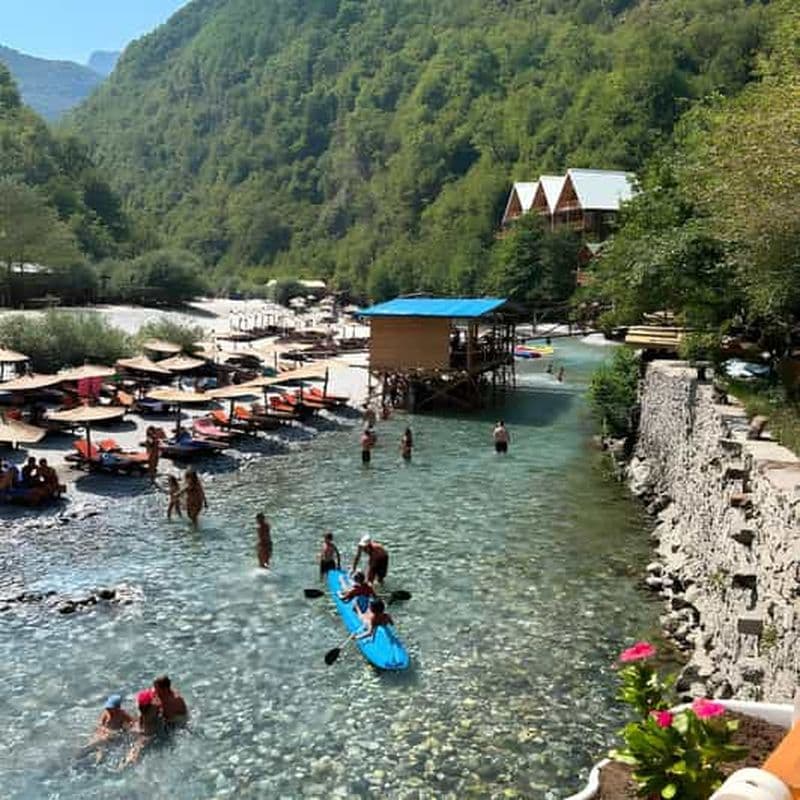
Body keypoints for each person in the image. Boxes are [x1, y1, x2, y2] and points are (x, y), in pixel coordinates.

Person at [123, 689, 163, 766]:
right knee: (139, 747)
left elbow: (140, 718)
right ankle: (131, 762)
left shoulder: (143, 709)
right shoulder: (153, 708)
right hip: (150, 732)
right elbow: (160, 707)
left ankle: (127, 761)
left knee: (137, 746)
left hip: (143, 728)